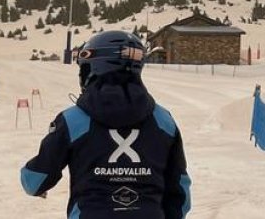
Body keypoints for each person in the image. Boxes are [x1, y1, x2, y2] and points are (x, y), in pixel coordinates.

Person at [19, 30, 191, 218]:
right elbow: (180, 194)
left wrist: (30, 171)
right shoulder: (164, 121)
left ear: (94, 68)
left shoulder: (73, 120)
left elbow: (35, 181)